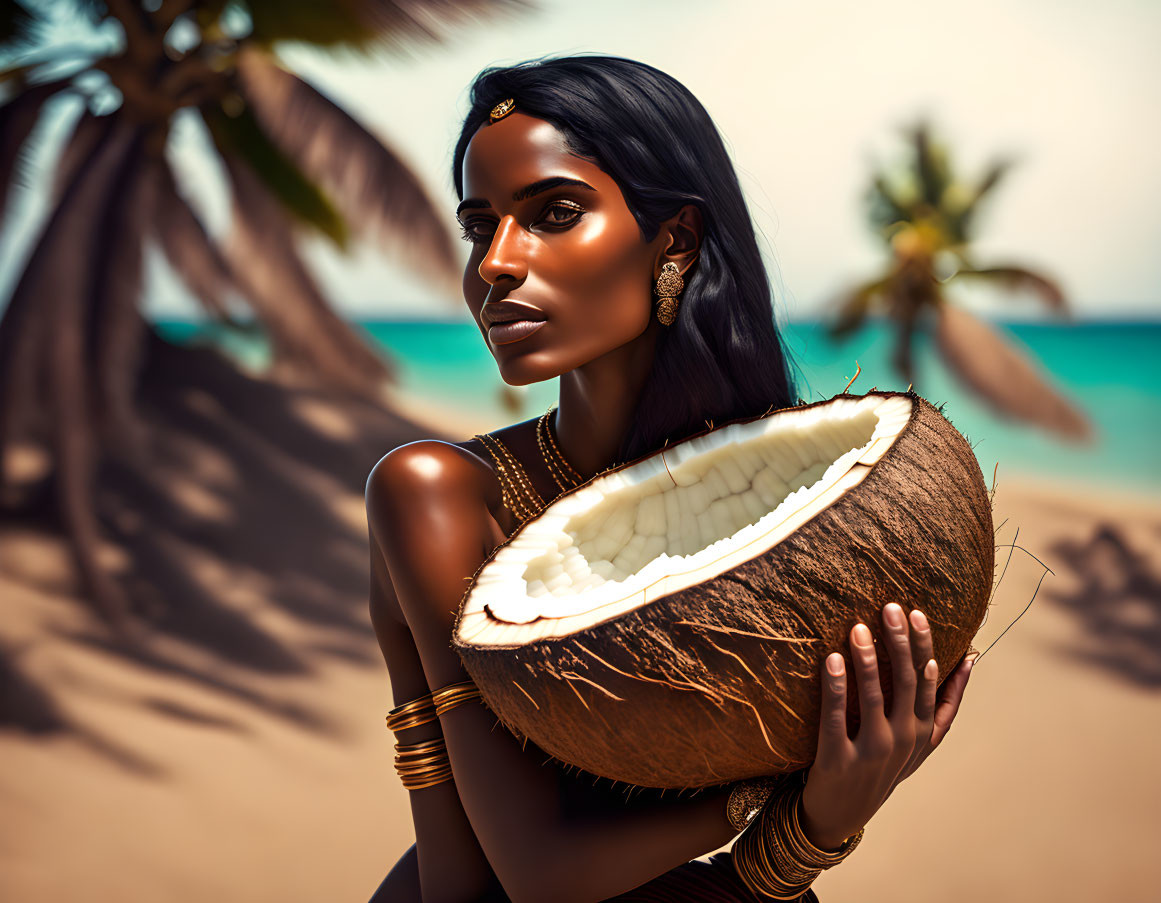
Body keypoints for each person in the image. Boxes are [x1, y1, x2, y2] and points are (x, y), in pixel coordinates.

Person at [363, 54, 975, 903]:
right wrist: (798, 808)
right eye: (479, 226)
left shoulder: (780, 513)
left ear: (675, 239)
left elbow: (773, 863)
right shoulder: (438, 492)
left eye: (554, 212)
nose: (495, 263)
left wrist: (812, 822)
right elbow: (535, 874)